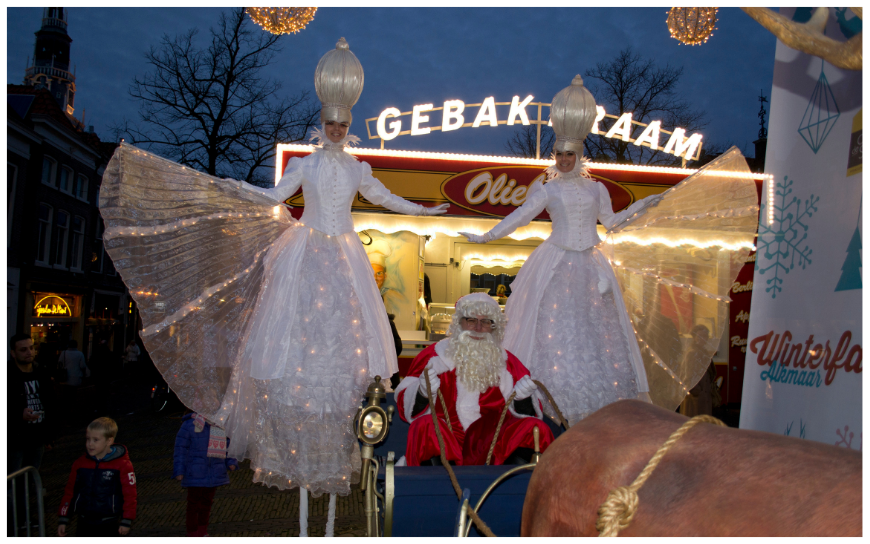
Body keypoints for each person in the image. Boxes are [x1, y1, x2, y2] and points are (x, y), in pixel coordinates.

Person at [98, 37, 447, 537]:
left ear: (349, 125)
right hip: (307, 251)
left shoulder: (358, 168)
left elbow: (386, 197)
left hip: (344, 254)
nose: (336, 130)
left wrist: (424, 210)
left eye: (343, 125)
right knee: (292, 333)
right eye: (331, 124)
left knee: (343, 334)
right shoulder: (305, 163)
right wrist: (236, 189)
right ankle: (297, 464)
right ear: (322, 123)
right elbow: (275, 195)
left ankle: (334, 457)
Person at [460, 75, 757, 425]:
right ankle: (543, 400)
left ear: (579, 155)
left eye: (569, 154)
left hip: (591, 264)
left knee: (597, 332)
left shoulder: (596, 189)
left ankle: (596, 407)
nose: (564, 160)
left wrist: (644, 204)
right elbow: (520, 216)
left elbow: (612, 223)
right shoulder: (547, 190)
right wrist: (487, 236)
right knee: (550, 327)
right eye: (559, 154)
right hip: (555, 262)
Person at [395, 293, 555, 466]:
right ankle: (441, 480)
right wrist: (422, 393)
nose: (478, 328)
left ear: (493, 327)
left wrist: (522, 400)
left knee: (535, 428)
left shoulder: (508, 363)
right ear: (459, 323)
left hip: (491, 447)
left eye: (486, 322)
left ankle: (510, 481)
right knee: (424, 426)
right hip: (445, 442)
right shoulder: (433, 357)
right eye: (471, 320)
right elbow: (404, 404)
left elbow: (530, 415)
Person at [57, 417, 137, 537]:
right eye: (88, 439)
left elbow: (130, 494)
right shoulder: (80, 464)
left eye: (96, 440)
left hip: (109, 522)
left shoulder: (122, 465)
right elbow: (70, 491)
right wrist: (63, 518)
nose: (90, 444)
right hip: (84, 521)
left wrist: (126, 520)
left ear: (109, 441)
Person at [173, 412, 238, 537]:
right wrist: (179, 470)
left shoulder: (220, 424)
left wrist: (231, 461)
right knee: (194, 504)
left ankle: (202, 530)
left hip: (214, 472)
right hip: (195, 472)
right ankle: (193, 532)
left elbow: (228, 444)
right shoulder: (190, 425)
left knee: (207, 503)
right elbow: (180, 448)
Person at [8, 333, 55, 474]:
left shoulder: (41, 372)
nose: (29, 352)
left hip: (37, 436)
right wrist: (18, 414)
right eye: (23, 350)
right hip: (15, 438)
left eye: (31, 348)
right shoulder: (8, 374)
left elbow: (50, 403)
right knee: (13, 477)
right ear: (13, 353)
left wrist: (49, 435)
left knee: (31, 475)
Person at [680, 325, 720, 417]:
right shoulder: (692, 353)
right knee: (695, 418)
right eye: (700, 336)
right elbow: (688, 375)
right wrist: (696, 391)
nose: (703, 339)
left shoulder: (703, 352)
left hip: (703, 393)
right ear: (694, 337)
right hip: (696, 396)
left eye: (705, 336)